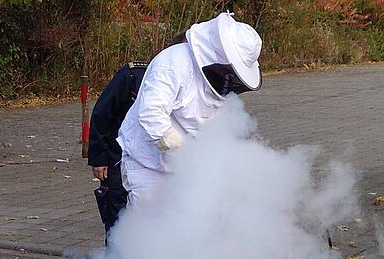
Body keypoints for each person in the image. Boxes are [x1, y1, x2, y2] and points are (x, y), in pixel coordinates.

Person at [116, 12, 263, 207]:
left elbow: (216, 121)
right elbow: (151, 112)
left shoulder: (220, 78)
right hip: (147, 163)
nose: (230, 74)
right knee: (149, 218)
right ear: (218, 53)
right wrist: (182, 151)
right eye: (230, 68)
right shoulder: (172, 63)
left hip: (188, 167)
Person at [88, 33, 188, 242]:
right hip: (119, 155)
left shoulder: (192, 85)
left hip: (160, 162)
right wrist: (98, 159)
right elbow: (101, 114)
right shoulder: (133, 75)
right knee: (118, 215)